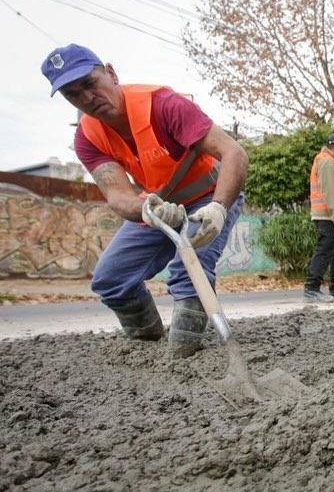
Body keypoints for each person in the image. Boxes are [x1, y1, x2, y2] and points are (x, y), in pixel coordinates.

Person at [40, 44, 248, 357]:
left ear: (110, 73)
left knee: (187, 268)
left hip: (210, 195)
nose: (86, 98)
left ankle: (183, 353)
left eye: (89, 84)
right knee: (110, 280)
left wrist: (219, 208)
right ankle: (147, 346)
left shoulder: (163, 105)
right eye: (73, 94)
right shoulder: (88, 137)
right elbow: (118, 196)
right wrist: (148, 209)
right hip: (161, 208)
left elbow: (234, 152)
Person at [304, 132, 334, 302]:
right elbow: (330, 193)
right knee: (324, 252)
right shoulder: (326, 162)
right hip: (327, 217)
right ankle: (311, 288)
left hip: (330, 216)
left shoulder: (331, 161)